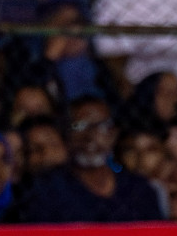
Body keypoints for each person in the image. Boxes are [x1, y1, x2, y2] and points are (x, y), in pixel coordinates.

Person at [21, 95, 164, 222]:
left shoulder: (138, 190)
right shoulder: (47, 190)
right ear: (66, 133)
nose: (90, 136)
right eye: (79, 126)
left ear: (113, 134)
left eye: (101, 126)